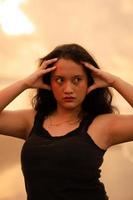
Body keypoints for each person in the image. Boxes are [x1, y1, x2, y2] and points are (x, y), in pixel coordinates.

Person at [0, 43, 133, 200]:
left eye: (77, 79)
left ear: (89, 82)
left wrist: (115, 81)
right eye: (59, 80)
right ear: (49, 82)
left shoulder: (102, 125)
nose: (68, 89)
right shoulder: (31, 120)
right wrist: (25, 83)